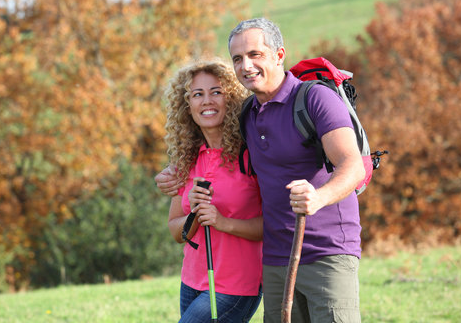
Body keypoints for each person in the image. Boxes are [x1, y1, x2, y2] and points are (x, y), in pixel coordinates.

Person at [156, 18, 366, 323]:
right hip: (276, 259)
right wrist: (174, 172)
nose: (246, 65)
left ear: (279, 55)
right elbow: (213, 152)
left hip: (327, 252)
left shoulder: (315, 98)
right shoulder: (249, 115)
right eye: (238, 58)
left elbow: (353, 165)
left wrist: (318, 197)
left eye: (255, 54)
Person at [163, 59, 263, 323]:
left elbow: (273, 225)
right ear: (188, 106)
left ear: (230, 99)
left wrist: (223, 222)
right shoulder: (187, 159)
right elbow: (176, 231)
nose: (207, 101)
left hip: (238, 283)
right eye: (198, 94)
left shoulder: (251, 154)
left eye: (216, 92)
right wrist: (194, 214)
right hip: (193, 280)